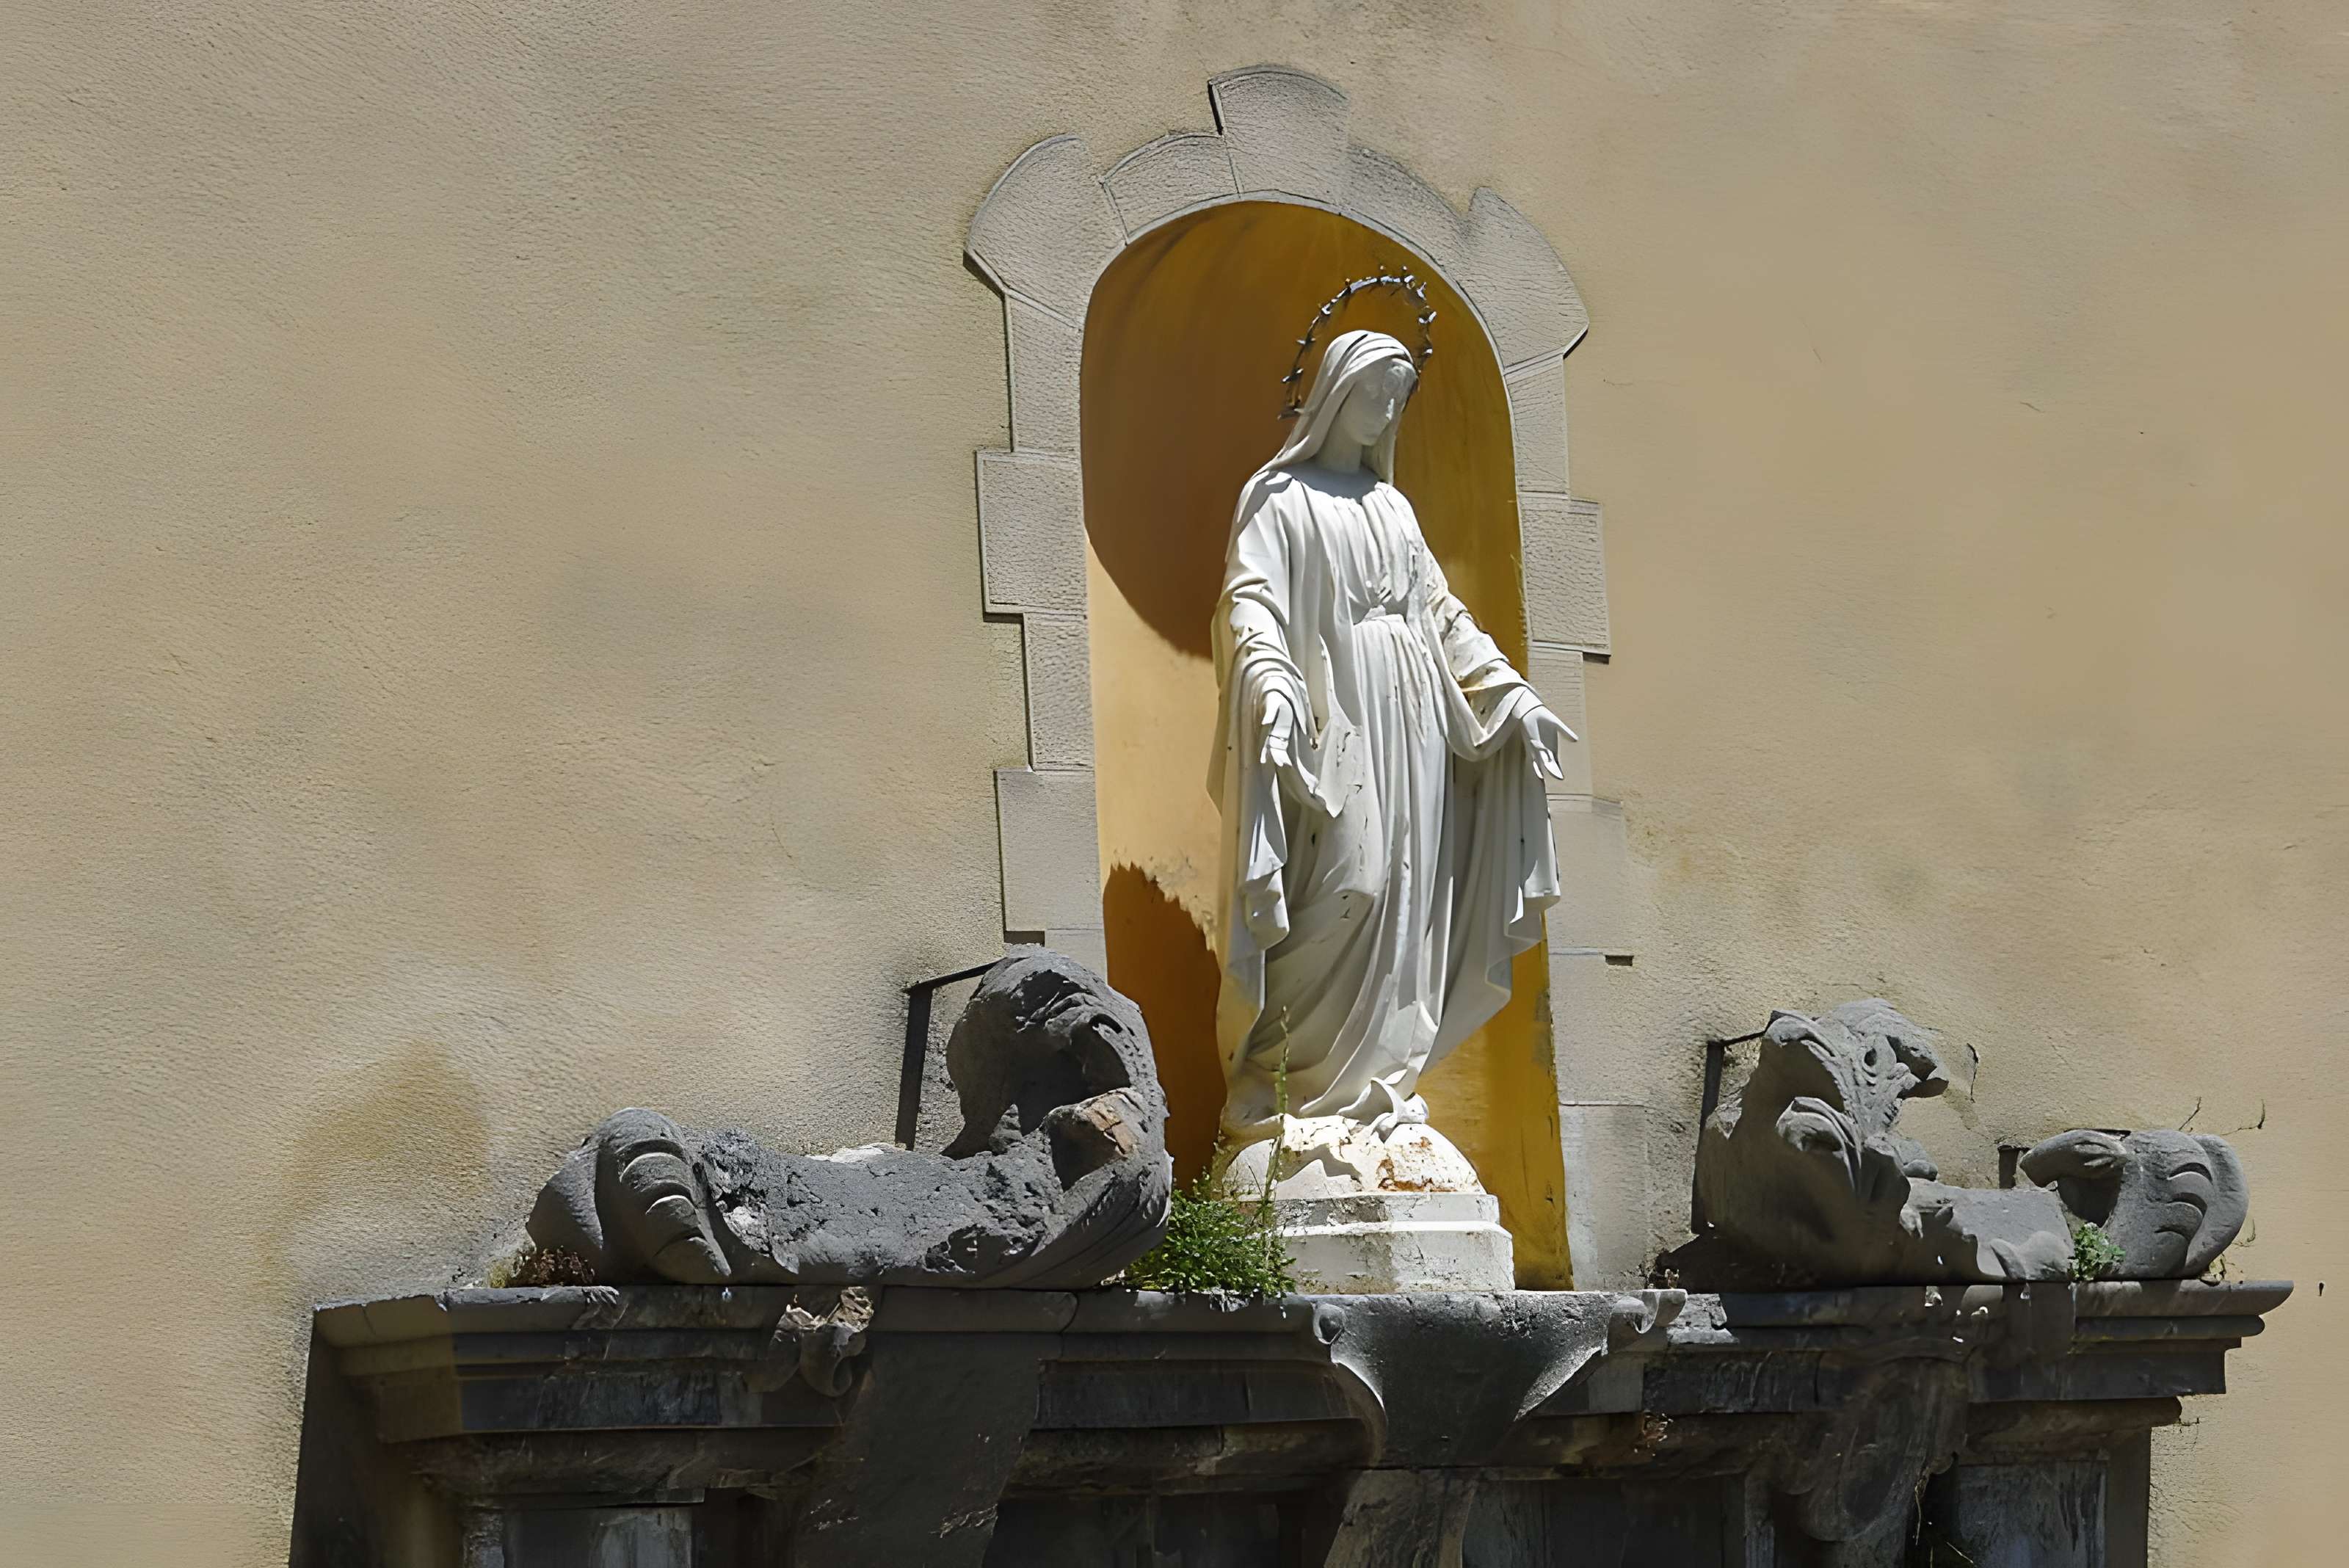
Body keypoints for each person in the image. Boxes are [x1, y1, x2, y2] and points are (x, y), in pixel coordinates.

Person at [1210, 327, 1575, 1150]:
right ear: (1337, 391)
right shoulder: (1278, 496)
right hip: (1332, 708)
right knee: (1356, 877)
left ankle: (1376, 1090)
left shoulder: (1393, 507)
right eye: (1375, 391)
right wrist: (1268, 677)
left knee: (1410, 891)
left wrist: (1510, 695)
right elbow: (1250, 599)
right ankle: (1285, 1083)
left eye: (1397, 397)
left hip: (1412, 717)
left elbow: (1442, 614)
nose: (1385, 410)